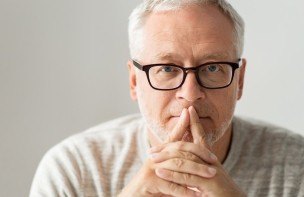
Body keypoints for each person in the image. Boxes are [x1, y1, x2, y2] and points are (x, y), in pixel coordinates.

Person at [29, 0, 304, 196]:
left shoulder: (296, 165)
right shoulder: (74, 168)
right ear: (134, 81)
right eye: (167, 69)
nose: (190, 94)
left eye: (212, 68)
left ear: (239, 80)